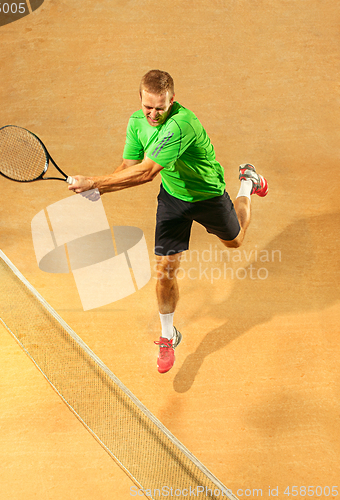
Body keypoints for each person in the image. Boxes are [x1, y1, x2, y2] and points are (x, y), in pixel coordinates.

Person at [69, 69, 268, 374]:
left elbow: (147, 173)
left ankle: (247, 183)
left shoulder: (181, 124)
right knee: (164, 271)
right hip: (174, 199)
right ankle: (168, 334)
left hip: (207, 195)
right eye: (148, 107)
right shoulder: (137, 122)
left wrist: (95, 183)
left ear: (172, 100)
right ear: (141, 99)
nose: (153, 114)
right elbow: (129, 166)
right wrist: (102, 188)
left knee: (236, 239)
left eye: (159, 108)